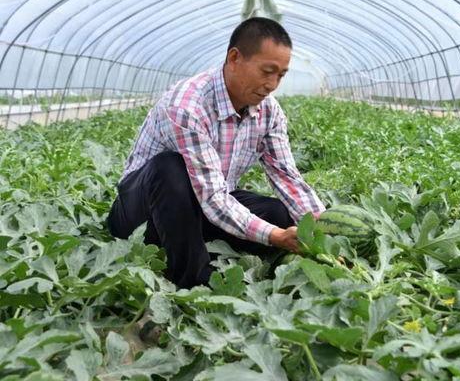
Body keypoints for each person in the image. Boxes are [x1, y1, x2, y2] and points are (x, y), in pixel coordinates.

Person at [107, 17, 325, 289]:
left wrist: (324, 228)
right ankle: (193, 280)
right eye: (267, 71)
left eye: (280, 75)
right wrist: (275, 236)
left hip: (201, 209)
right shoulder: (187, 106)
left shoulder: (269, 112)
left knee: (280, 214)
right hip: (142, 214)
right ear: (234, 58)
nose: (272, 84)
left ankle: (193, 244)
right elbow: (211, 197)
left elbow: (287, 176)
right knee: (170, 168)